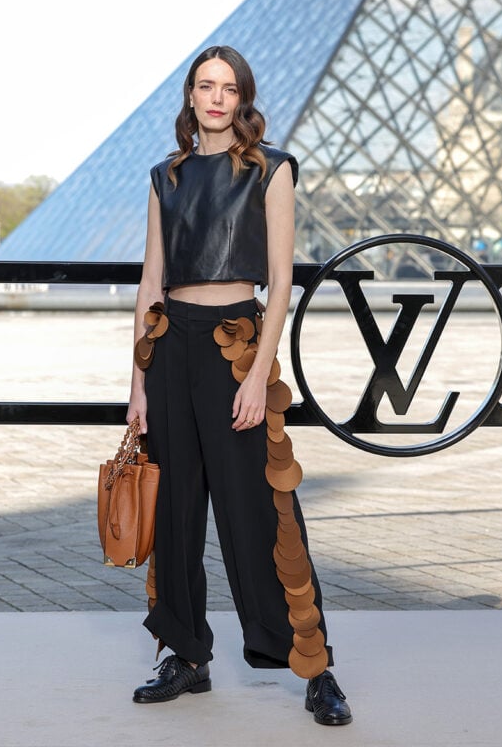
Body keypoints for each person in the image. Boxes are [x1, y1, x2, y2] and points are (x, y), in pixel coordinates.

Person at [125, 45, 352, 725]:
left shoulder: (270, 169)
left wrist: (257, 373)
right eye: (205, 85)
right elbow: (150, 281)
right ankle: (184, 654)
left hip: (236, 345)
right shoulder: (164, 176)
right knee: (175, 511)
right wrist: (137, 384)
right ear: (190, 98)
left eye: (228, 87)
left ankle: (314, 667)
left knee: (262, 511)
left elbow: (280, 281)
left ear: (242, 97)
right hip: (171, 347)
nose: (217, 97)